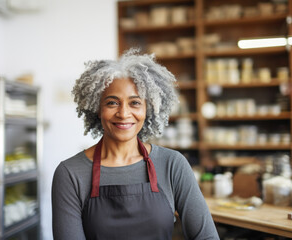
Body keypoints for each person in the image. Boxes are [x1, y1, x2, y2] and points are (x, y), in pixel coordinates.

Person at [52, 49, 220, 240]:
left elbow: (206, 237)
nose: (123, 113)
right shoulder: (70, 173)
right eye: (112, 103)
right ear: (97, 109)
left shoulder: (172, 164)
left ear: (148, 109)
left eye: (135, 103)